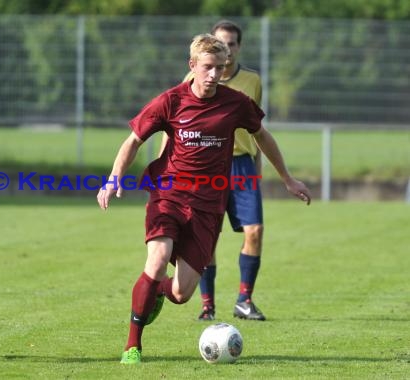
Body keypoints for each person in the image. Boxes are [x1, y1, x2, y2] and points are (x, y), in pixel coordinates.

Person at [97, 34, 311, 364]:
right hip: (167, 194)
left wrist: (287, 178)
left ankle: (156, 292)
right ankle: (132, 346)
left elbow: (262, 136)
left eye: (221, 68)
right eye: (208, 68)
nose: (214, 75)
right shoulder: (170, 101)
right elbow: (133, 141)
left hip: (207, 206)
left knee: (181, 294)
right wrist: (113, 178)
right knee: (156, 258)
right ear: (192, 66)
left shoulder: (235, 103)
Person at [160, 20, 268, 321]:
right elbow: (172, 130)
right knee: (209, 237)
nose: (228, 49)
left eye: (233, 44)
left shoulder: (252, 81)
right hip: (206, 167)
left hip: (243, 165)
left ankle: (244, 300)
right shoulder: (194, 78)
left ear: (238, 47)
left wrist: (258, 170)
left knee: (255, 230)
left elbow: (257, 130)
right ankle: (208, 305)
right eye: (222, 43)